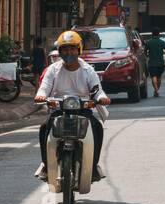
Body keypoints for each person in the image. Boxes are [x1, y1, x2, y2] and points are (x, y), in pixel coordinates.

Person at [34, 30, 110, 181]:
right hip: (59, 109)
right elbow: (44, 87)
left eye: (72, 49)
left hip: (83, 110)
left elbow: (97, 90)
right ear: (60, 52)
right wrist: (41, 95)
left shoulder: (88, 70)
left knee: (97, 127)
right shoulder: (53, 69)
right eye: (65, 49)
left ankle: (93, 167)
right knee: (44, 127)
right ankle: (45, 165)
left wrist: (102, 98)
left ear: (79, 50)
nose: (69, 52)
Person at [143, 30, 165, 98]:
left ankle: (156, 90)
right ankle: (156, 90)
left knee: (153, 77)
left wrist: (146, 57)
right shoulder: (162, 42)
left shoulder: (148, 42)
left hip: (152, 63)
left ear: (152, 34)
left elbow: (144, 52)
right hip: (160, 63)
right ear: (159, 34)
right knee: (159, 77)